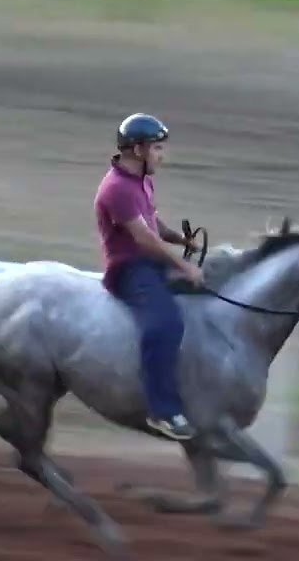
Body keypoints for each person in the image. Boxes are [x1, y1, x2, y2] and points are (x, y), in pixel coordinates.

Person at [94, 112, 203, 441]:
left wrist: (181, 241)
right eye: (157, 148)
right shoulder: (117, 190)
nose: (161, 155)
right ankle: (162, 411)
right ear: (137, 149)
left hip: (151, 262)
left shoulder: (141, 180)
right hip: (130, 269)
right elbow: (143, 239)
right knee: (165, 324)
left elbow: (154, 225)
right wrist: (185, 267)